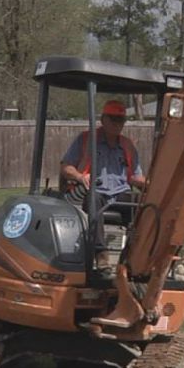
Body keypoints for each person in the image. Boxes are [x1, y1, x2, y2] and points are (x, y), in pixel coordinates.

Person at [60, 99, 146, 271]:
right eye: (113, 119)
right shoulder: (85, 140)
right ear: (103, 119)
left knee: (143, 205)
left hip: (120, 194)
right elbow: (66, 167)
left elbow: (136, 177)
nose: (117, 123)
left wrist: (152, 185)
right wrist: (79, 176)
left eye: (121, 120)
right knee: (94, 200)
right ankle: (101, 255)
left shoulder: (127, 146)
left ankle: (135, 254)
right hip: (95, 191)